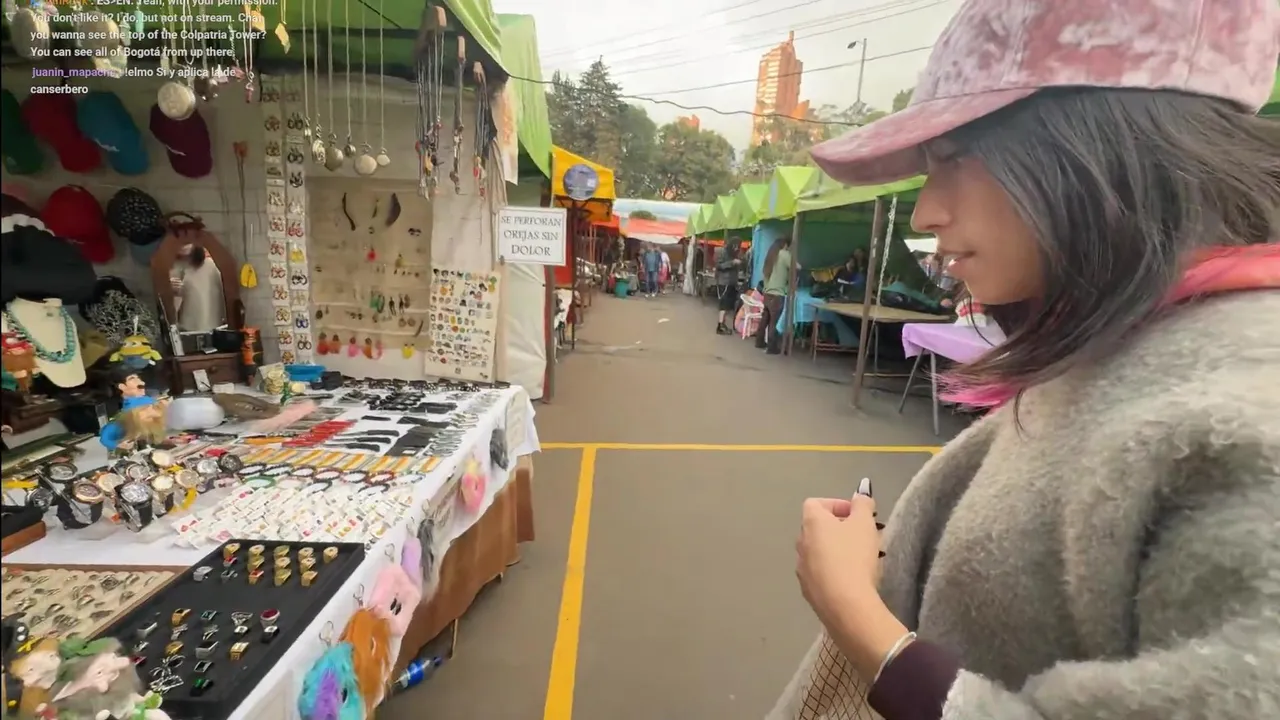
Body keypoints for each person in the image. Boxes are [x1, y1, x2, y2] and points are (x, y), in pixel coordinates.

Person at [775, 1, 1280, 720]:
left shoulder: (1248, 418)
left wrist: (855, 613)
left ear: (1100, 147)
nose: (924, 213)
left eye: (952, 159)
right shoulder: (1131, 357)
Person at [170, 244, 224, 332]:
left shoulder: (211, 266)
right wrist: (168, 289)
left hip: (209, 329)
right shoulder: (170, 266)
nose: (184, 245)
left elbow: (226, 295)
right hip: (182, 330)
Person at [757, 236, 796, 353]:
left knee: (765, 318)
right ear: (785, 245)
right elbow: (795, 266)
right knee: (774, 320)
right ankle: (772, 347)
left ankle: (759, 342)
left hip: (767, 292)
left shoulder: (771, 254)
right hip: (777, 293)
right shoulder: (784, 254)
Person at [713, 241, 743, 334]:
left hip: (731, 283)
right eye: (736, 246)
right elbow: (719, 266)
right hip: (724, 282)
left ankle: (722, 324)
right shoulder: (723, 252)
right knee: (724, 305)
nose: (737, 248)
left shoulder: (734, 254)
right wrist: (732, 263)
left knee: (727, 305)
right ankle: (720, 325)